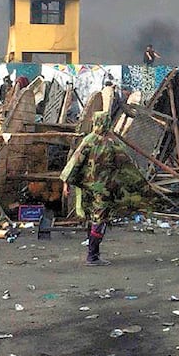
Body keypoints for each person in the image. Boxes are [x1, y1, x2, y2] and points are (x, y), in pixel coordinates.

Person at [61, 112, 149, 266]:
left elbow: (74, 163)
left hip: (87, 188)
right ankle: (92, 256)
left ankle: (92, 253)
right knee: (100, 220)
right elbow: (126, 166)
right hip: (104, 190)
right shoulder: (113, 144)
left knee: (91, 218)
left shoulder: (88, 140)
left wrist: (66, 183)